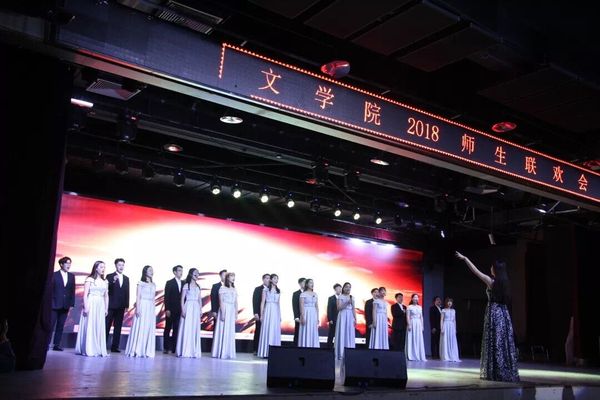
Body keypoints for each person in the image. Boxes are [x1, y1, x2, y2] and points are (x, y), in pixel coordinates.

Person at [455, 251, 519, 382]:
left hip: (494, 313)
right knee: (502, 343)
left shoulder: (491, 282)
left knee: (494, 342)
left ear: (495, 270)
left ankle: (495, 371)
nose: (490, 268)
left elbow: (476, 271)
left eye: (492, 266)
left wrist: (466, 258)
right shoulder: (505, 283)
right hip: (504, 315)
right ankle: (503, 370)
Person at [75, 261, 109, 357]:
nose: (103, 269)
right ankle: (89, 348)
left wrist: (106, 308)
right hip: (91, 302)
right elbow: (85, 294)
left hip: (100, 304)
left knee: (98, 325)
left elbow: (106, 296)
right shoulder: (90, 279)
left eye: (104, 267)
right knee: (90, 324)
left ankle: (97, 348)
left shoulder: (105, 281)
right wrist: (86, 307)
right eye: (101, 267)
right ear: (96, 268)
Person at [125, 265, 156, 357]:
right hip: (142, 305)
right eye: (150, 270)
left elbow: (153, 298)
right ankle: (137, 349)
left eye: (152, 270)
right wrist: (138, 308)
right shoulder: (141, 283)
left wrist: (153, 309)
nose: (152, 272)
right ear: (145, 272)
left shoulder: (153, 284)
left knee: (148, 327)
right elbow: (138, 296)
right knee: (141, 326)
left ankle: (146, 350)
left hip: (150, 307)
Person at [49, 256, 76, 351]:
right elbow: (50, 289)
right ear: (61, 264)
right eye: (67, 263)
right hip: (54, 304)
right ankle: (46, 344)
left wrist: (72, 304)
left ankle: (56, 345)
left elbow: (72, 291)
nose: (69, 265)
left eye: (70, 263)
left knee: (60, 326)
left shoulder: (71, 276)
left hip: (65, 305)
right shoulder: (54, 275)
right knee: (51, 325)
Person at [176, 268, 202, 358]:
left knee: (194, 328)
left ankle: (193, 350)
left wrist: (200, 309)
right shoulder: (186, 285)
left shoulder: (198, 286)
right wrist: (183, 310)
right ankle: (185, 350)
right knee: (187, 327)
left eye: (198, 273)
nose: (197, 275)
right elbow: (182, 299)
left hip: (196, 308)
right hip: (188, 306)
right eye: (195, 273)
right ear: (191, 274)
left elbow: (199, 299)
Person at [211, 272, 238, 359]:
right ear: (227, 278)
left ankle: (228, 352)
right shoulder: (222, 288)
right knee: (223, 330)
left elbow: (236, 302)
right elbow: (221, 301)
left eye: (234, 276)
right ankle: (221, 351)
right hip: (225, 309)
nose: (233, 278)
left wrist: (236, 312)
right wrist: (222, 313)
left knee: (230, 330)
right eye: (231, 276)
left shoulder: (234, 289)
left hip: (231, 310)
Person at [106, 258, 129, 352]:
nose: (121, 267)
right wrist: (113, 281)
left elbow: (127, 292)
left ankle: (115, 347)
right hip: (111, 305)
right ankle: (103, 345)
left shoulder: (126, 278)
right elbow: (106, 289)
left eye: (122, 265)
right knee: (107, 325)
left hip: (121, 306)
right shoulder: (110, 276)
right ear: (115, 265)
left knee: (118, 327)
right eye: (119, 265)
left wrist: (127, 305)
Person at [257, 274, 281, 358]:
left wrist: (279, 314)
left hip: (275, 311)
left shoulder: (278, 290)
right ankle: (265, 352)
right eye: (274, 278)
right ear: (271, 280)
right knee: (267, 328)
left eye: (277, 279)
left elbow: (278, 303)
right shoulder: (266, 290)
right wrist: (261, 315)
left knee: (274, 330)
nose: (276, 280)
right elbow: (262, 303)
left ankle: (274, 353)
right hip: (268, 310)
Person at [163, 265, 183, 354]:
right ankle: (166, 348)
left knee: (176, 329)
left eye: (181, 271)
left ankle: (175, 348)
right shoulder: (169, 282)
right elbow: (166, 297)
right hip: (170, 310)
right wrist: (167, 309)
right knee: (167, 328)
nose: (181, 272)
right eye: (179, 270)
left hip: (179, 310)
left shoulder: (184, 283)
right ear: (174, 272)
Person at [335, 282, 356, 360]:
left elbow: (353, 308)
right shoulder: (340, 297)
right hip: (343, 315)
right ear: (343, 288)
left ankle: (350, 352)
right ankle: (341, 353)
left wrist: (355, 318)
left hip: (350, 316)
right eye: (346, 287)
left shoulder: (352, 297)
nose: (348, 288)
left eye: (349, 287)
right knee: (342, 332)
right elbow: (339, 308)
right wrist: (347, 303)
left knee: (349, 333)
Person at [298, 278, 319, 348]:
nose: (312, 284)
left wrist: (317, 317)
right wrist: (302, 317)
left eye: (313, 283)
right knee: (305, 330)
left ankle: (313, 347)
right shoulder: (303, 294)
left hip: (313, 314)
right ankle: (304, 346)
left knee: (313, 330)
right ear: (306, 284)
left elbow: (317, 306)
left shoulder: (315, 294)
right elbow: (301, 306)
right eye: (310, 283)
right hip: (306, 313)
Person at [253, 274, 270, 354]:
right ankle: (256, 349)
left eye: (269, 278)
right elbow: (255, 301)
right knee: (259, 330)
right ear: (263, 279)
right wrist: (256, 313)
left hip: (269, 313)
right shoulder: (258, 289)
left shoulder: (272, 289)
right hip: (260, 313)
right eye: (267, 278)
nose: (268, 280)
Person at [406, 293, 426, 361]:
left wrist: (422, 326)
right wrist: (409, 324)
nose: (416, 298)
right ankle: (411, 355)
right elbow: (408, 316)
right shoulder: (409, 307)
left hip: (418, 324)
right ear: (412, 299)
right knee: (412, 338)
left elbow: (421, 317)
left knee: (418, 339)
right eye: (414, 297)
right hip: (412, 323)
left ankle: (418, 355)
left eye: (417, 297)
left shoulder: (420, 307)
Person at [440, 297, 460, 362]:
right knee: (446, 340)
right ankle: (446, 355)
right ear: (446, 303)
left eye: (450, 302)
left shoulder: (453, 310)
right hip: (445, 325)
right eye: (448, 302)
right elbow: (441, 319)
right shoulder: (443, 310)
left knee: (452, 340)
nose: (449, 303)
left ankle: (452, 355)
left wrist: (455, 328)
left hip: (451, 326)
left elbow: (454, 320)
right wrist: (441, 328)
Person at [326, 283, 342, 348]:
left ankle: (338, 346)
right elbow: (329, 309)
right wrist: (330, 319)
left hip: (341, 318)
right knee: (331, 333)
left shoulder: (343, 297)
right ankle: (329, 347)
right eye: (338, 288)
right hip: (334, 319)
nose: (340, 290)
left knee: (340, 333)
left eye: (340, 288)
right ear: (335, 289)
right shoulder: (331, 298)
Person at [292, 277, 306, 346]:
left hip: (307, 315)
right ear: (300, 284)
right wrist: (296, 317)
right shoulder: (296, 293)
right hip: (299, 316)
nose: (305, 284)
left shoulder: (309, 293)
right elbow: (294, 306)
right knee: (297, 332)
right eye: (304, 282)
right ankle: (296, 347)